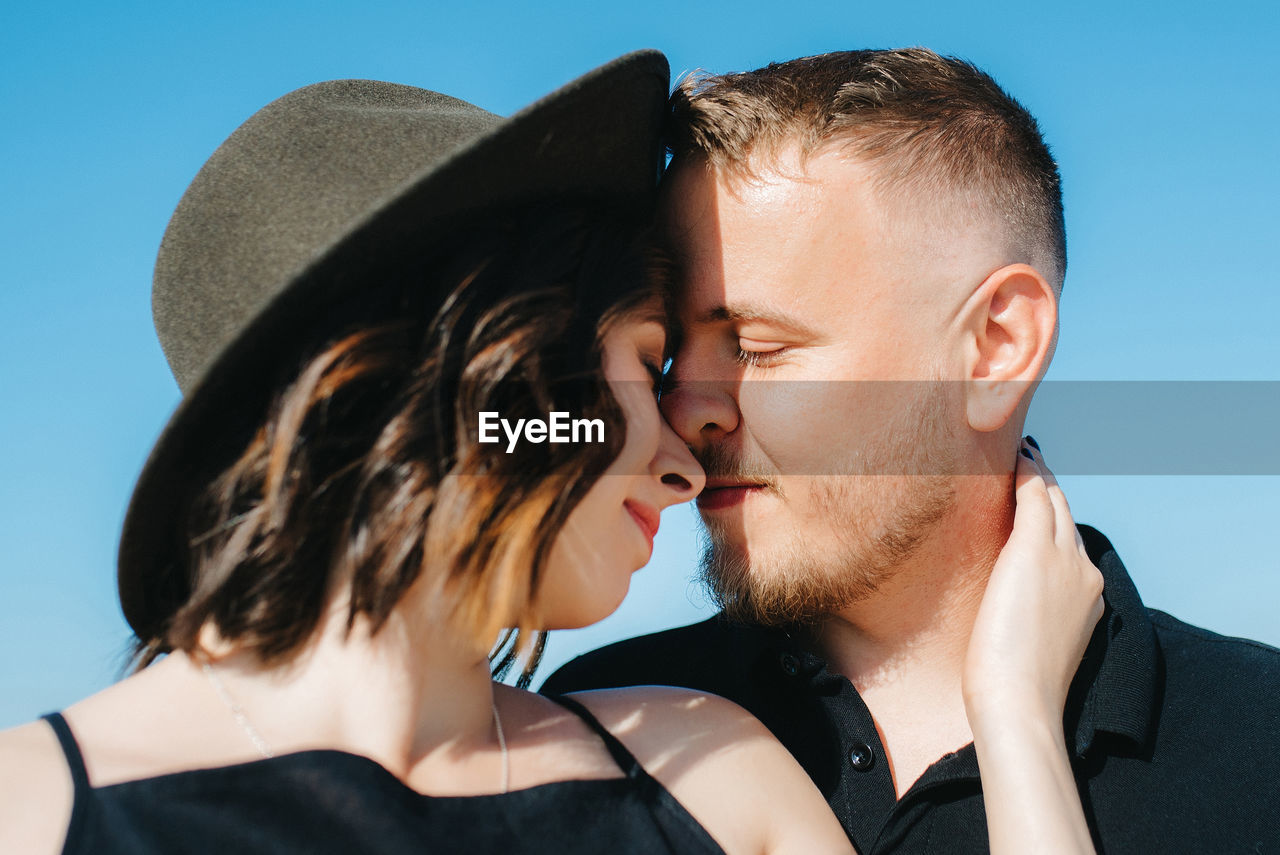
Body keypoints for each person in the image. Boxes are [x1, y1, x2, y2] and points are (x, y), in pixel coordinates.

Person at [0, 51, 1102, 855]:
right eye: (642, 360)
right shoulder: (30, 811)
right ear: (486, 385)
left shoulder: (708, 774)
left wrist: (1009, 717)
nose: (682, 461)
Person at [542, 47, 1280, 854]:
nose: (682, 411)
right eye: (670, 353)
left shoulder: (1259, 741)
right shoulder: (605, 723)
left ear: (996, 345)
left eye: (755, 347)